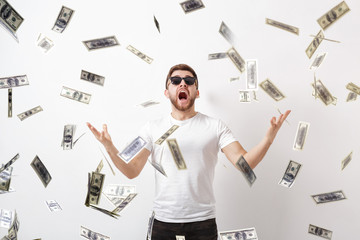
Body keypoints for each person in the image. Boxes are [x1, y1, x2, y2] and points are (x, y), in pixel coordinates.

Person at [87, 63, 291, 240]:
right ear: (167, 92)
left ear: (197, 91)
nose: (182, 83)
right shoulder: (152, 128)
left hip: (202, 223)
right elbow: (132, 171)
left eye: (189, 80)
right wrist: (109, 147)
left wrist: (268, 139)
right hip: (163, 222)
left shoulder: (215, 126)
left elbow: (246, 165)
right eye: (175, 81)